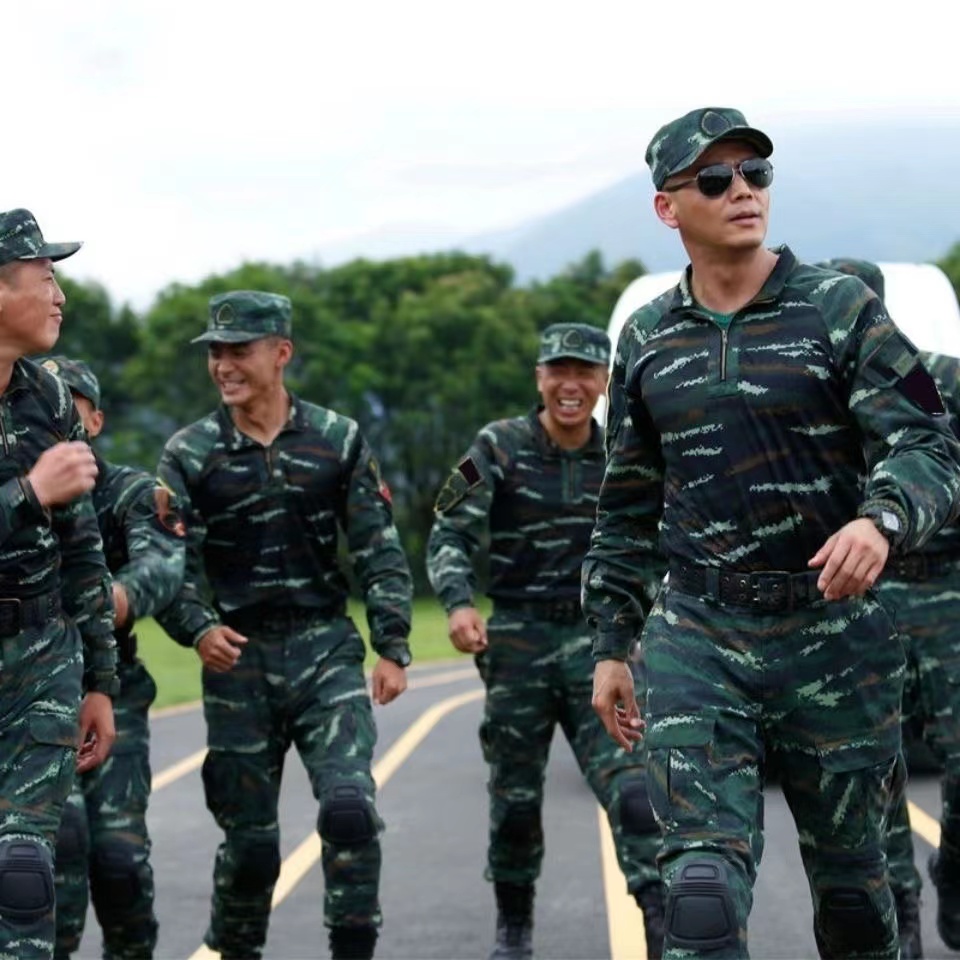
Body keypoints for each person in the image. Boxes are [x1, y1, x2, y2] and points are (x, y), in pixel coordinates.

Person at [583, 108, 960, 959]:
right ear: (667, 207)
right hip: (700, 638)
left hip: (831, 633)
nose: (742, 191)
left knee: (859, 901)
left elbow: (928, 437)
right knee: (700, 897)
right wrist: (611, 645)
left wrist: (884, 517)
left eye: (755, 173)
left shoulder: (841, 307)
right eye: (714, 179)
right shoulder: (647, 337)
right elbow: (626, 507)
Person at [155, 290, 413, 960]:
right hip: (237, 660)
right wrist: (196, 626)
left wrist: (392, 644)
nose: (223, 365)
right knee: (250, 847)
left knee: (350, 810)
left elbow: (377, 546)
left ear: (281, 353)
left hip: (325, 648)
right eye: (215, 352)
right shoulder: (188, 454)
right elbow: (167, 562)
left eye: (238, 350)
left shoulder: (338, 438)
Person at [426, 322, 666, 960]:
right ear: (539, 377)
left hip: (605, 648)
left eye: (585, 372)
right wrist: (456, 604)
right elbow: (449, 532)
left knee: (637, 797)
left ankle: (664, 934)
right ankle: (514, 929)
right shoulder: (497, 446)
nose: (571, 385)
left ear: (604, 382)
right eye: (558, 371)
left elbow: (660, 538)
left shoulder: (627, 451)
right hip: (520, 644)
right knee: (515, 802)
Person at [820, 257, 960, 959]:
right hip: (859, 603)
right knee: (877, 772)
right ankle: (900, 914)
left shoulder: (936, 379)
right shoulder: (809, 399)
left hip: (946, 592)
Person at [0, 208, 118, 960]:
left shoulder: (46, 396)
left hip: (40, 655)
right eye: (45, 276)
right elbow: (45, 503)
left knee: (23, 872)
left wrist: (99, 680)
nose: (59, 295)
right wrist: (27, 494)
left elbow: (83, 549)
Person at [44, 357, 186, 959]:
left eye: (68, 406)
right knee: (55, 856)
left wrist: (100, 599)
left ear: (95, 420)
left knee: (121, 861)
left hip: (114, 691)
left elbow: (162, 566)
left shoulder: (130, 491)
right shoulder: (18, 489)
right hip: (30, 698)